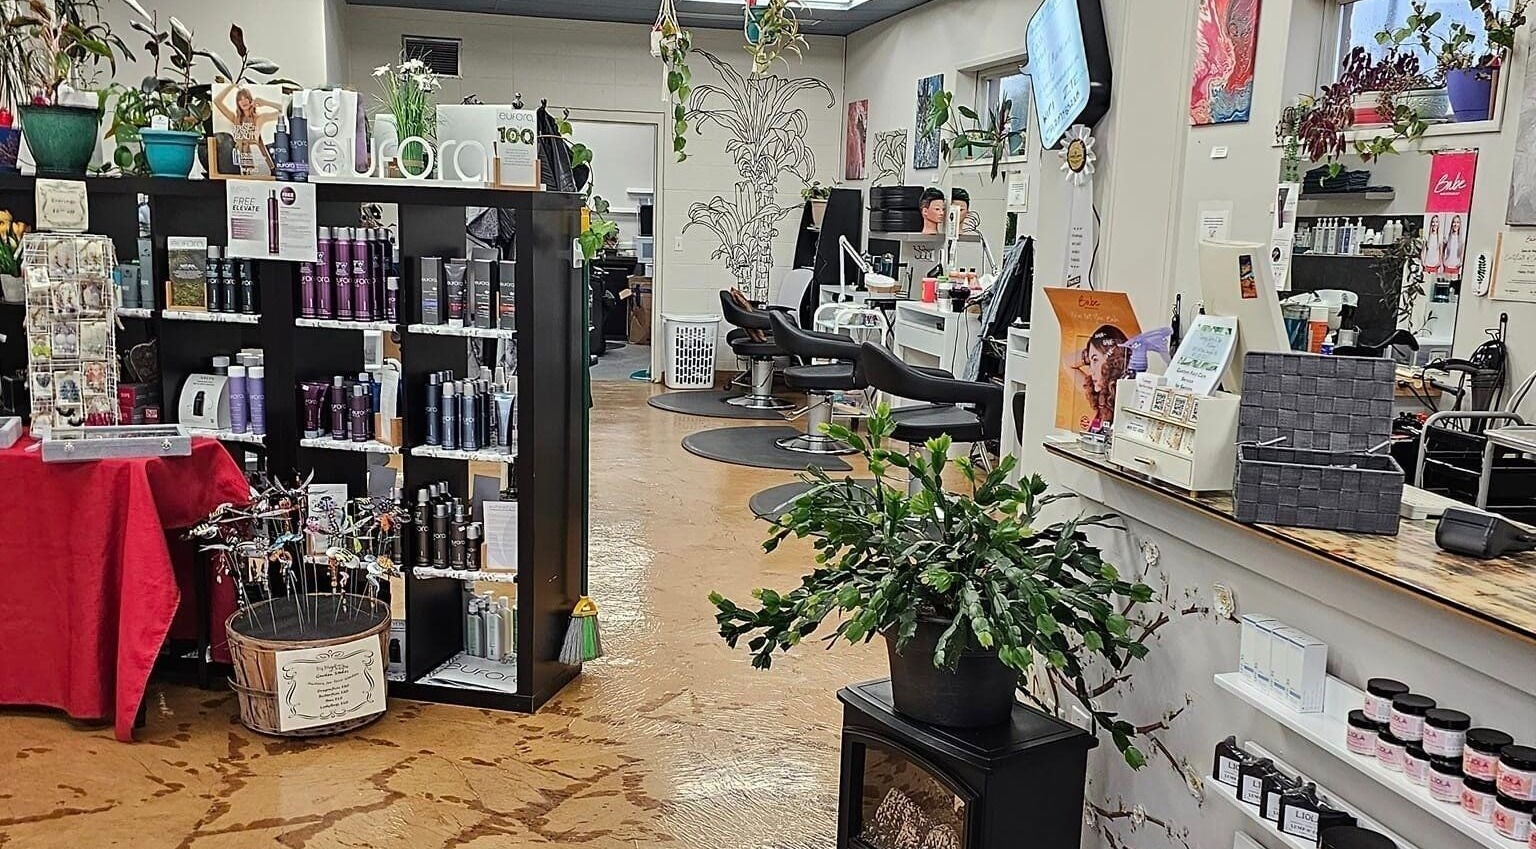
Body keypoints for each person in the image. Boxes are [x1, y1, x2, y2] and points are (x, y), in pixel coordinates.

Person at [1065, 324, 1130, 424]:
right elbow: (1068, 361)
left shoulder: (1126, 394)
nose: (1091, 371)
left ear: (1112, 360)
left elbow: (1068, 362)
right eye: (1089, 363)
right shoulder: (1099, 393)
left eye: (1095, 360)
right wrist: (1090, 354)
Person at [215, 86, 281, 176]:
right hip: (241, 162)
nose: (243, 101)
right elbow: (217, 101)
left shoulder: (258, 118)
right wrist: (232, 85)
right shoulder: (235, 119)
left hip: (258, 159)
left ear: (250, 100)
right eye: (240, 99)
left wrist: (265, 102)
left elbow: (282, 112)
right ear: (237, 103)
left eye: (246, 98)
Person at [1441, 214, 1465, 280]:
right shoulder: (1447, 237)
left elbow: (1462, 252)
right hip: (1447, 266)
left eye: (1457, 222)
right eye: (1454, 222)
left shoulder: (1461, 239)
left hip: (1456, 267)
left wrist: (1461, 263)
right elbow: (1442, 250)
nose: (1455, 224)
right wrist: (1443, 261)